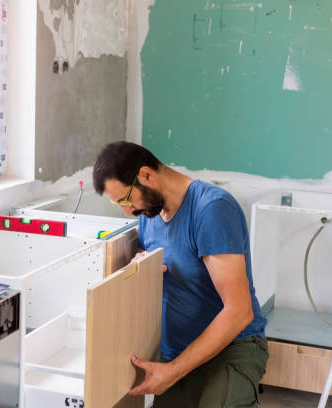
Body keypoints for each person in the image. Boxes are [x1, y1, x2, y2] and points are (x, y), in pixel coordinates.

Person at [92, 141, 268, 407]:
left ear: (146, 175)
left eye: (126, 200)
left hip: (233, 347)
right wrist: (142, 269)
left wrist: (173, 371)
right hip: (179, 351)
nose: (127, 211)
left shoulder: (212, 209)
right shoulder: (149, 214)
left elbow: (239, 312)